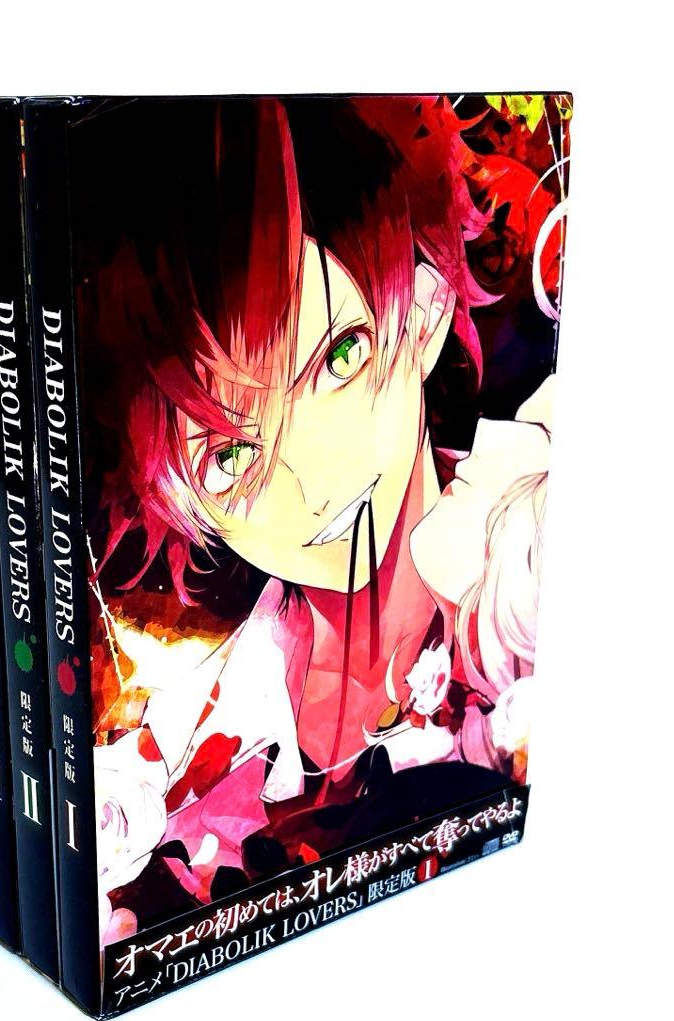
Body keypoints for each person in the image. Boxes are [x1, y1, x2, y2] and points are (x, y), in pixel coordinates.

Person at [71, 95, 564, 942]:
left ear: (425, 310)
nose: (311, 482)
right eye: (231, 456)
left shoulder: (533, 565)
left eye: (338, 358)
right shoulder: (189, 731)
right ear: (185, 502)